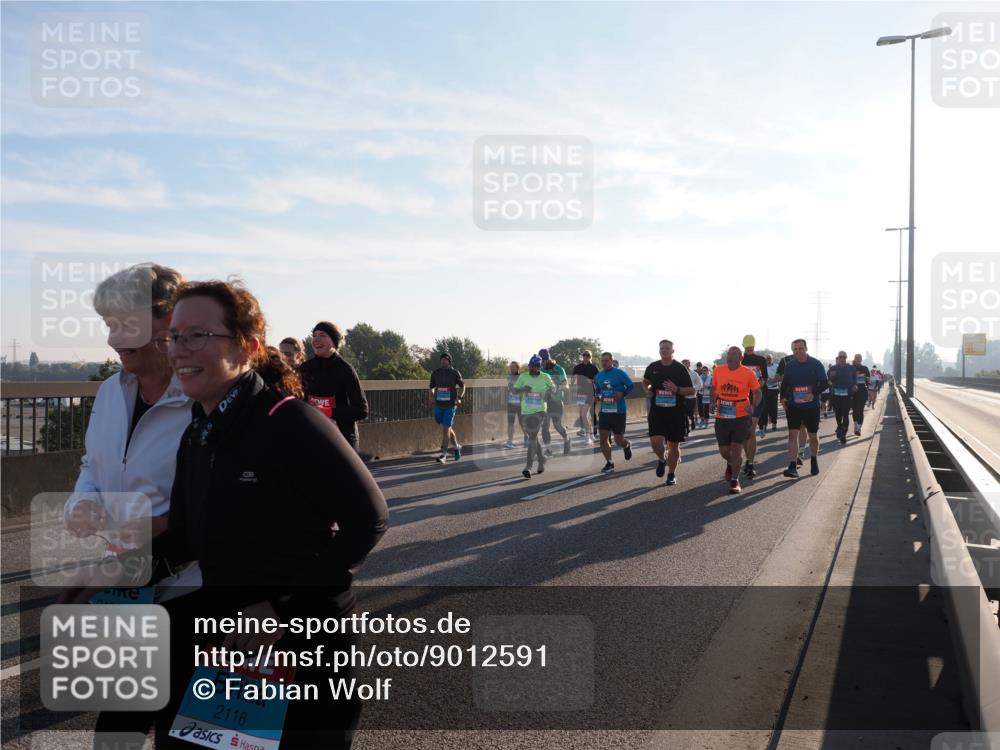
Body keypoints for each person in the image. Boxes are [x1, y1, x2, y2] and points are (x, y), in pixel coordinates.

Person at [62, 279, 389, 750]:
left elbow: (369, 520)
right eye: (174, 336)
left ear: (248, 347)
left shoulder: (288, 421)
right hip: (230, 646)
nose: (179, 349)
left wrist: (278, 608)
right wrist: (107, 571)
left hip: (303, 650)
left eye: (198, 335)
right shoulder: (199, 430)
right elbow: (189, 535)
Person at [299, 321, 369, 452]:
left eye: (322, 335)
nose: (316, 339)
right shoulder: (305, 368)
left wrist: (328, 411)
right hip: (314, 437)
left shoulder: (345, 369)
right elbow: (300, 400)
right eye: (314, 335)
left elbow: (362, 410)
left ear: (334, 341)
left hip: (342, 441)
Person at [709, 346, 763, 494]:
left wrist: (753, 405)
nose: (730, 356)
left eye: (734, 354)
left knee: (737, 448)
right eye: (729, 354)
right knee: (724, 450)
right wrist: (712, 402)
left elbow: (757, 392)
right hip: (722, 415)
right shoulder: (719, 370)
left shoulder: (748, 373)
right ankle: (730, 463)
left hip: (741, 416)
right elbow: (713, 389)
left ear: (741, 358)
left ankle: (735, 480)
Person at [643, 340, 695, 486]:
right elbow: (645, 381)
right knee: (655, 442)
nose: (664, 350)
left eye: (667, 348)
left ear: (672, 351)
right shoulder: (653, 367)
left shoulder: (679, 368)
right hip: (657, 411)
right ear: (659, 350)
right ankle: (661, 458)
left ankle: (671, 474)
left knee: (673, 446)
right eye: (662, 348)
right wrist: (647, 391)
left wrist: (676, 389)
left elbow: (691, 391)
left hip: (675, 412)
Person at [780, 339, 829, 478]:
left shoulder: (816, 364)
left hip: (811, 406)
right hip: (794, 405)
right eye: (795, 349)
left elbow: (825, 383)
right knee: (792, 434)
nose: (798, 352)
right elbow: (785, 383)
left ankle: (813, 459)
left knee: (813, 436)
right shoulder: (789, 365)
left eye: (800, 348)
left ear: (806, 349)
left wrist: (813, 394)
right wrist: (782, 397)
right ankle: (792, 465)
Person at [513, 355, 556, 478]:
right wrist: (523, 389)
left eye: (533, 367)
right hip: (525, 411)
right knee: (533, 436)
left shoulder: (545, 377)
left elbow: (553, 388)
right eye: (530, 366)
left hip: (540, 410)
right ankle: (542, 459)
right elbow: (514, 391)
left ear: (538, 367)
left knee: (532, 436)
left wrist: (549, 392)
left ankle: (528, 467)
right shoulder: (523, 376)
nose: (531, 369)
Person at [595, 352, 634, 473]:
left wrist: (622, 393)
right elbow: (598, 390)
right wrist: (598, 396)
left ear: (611, 361)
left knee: (618, 439)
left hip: (619, 411)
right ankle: (609, 463)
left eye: (606, 360)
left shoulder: (619, 373)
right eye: (602, 361)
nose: (604, 363)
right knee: (603, 437)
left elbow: (631, 386)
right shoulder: (599, 375)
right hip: (605, 410)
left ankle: (626, 445)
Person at [740, 335, 769, 477]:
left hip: (757, 398)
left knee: (751, 430)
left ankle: (750, 463)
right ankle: (747, 460)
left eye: (751, 346)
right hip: (742, 399)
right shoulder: (740, 360)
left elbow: (765, 378)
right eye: (747, 346)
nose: (749, 348)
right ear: (744, 346)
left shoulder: (761, 360)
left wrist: (760, 383)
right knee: (746, 433)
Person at [428, 353, 464, 463]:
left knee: (445, 429)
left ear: (449, 361)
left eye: (445, 360)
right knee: (446, 428)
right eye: (442, 360)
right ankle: (457, 446)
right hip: (439, 405)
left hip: (450, 405)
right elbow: (431, 387)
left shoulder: (454, 373)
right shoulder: (436, 373)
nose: (443, 361)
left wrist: (459, 397)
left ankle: (443, 455)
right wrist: (431, 396)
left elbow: (463, 386)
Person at [541, 357, 572, 456]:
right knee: (544, 426)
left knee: (557, 425)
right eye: (541, 361)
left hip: (557, 401)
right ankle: (548, 449)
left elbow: (566, 386)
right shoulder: (541, 370)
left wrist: (558, 387)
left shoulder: (559, 369)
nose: (542, 363)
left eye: (543, 360)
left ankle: (567, 439)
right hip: (545, 402)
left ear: (548, 359)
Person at [828, 351, 857, 444]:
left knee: (845, 414)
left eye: (844, 357)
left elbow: (855, 379)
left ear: (846, 357)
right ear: (838, 358)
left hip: (847, 395)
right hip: (836, 395)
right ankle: (839, 426)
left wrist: (855, 385)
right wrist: (831, 379)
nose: (842, 359)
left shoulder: (851, 368)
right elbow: (829, 379)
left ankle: (843, 434)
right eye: (840, 357)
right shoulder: (833, 368)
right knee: (838, 414)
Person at [572, 350, 599, 442]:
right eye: (584, 355)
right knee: (585, 415)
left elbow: (597, 380)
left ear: (590, 357)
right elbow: (573, 380)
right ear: (582, 356)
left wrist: (591, 381)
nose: (586, 357)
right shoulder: (577, 367)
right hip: (580, 393)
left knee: (584, 414)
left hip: (590, 393)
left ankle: (588, 436)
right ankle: (591, 434)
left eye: (588, 355)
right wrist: (574, 380)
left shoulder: (593, 368)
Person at [504, 361, 525, 449]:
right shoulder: (508, 377)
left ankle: (527, 438)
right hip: (511, 403)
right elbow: (507, 389)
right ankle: (510, 441)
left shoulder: (521, 377)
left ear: (517, 368)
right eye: (510, 367)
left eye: (513, 367)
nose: (511, 368)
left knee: (522, 423)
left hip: (520, 404)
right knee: (510, 423)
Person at [851, 353, 871, 436]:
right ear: (854, 359)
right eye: (856, 358)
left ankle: (859, 429)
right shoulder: (851, 368)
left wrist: (866, 378)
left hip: (862, 391)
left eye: (859, 358)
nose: (858, 359)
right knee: (854, 410)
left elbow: (869, 380)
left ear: (861, 360)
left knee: (860, 410)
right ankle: (855, 426)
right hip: (853, 391)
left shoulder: (865, 368)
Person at [681, 358, 701, 435]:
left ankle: (692, 420)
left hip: (691, 396)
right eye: (684, 363)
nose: (686, 365)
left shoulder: (693, 373)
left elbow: (699, 384)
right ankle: (687, 429)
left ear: (689, 364)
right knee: (684, 414)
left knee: (690, 412)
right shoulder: (679, 374)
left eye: (687, 363)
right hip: (682, 396)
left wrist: (693, 389)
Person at [764, 354, 780, 432]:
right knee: (765, 408)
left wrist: (774, 380)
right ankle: (764, 425)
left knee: (773, 408)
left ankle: (774, 424)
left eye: (770, 358)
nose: (768, 359)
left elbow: (780, 376)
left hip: (774, 389)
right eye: (767, 358)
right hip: (765, 390)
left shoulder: (776, 366)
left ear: (772, 359)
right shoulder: (762, 367)